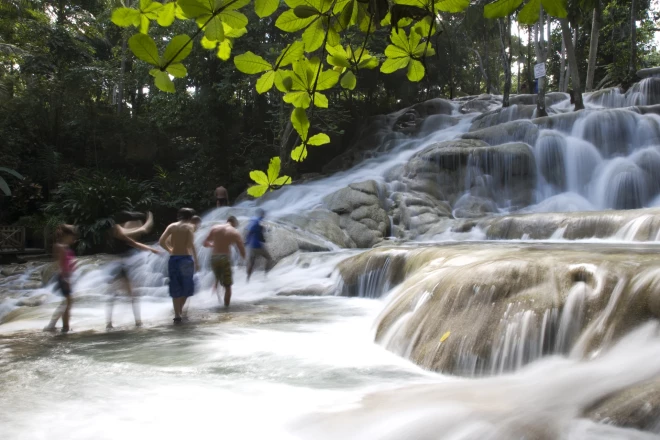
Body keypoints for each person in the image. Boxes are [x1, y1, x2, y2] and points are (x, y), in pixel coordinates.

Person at [106, 211, 160, 329]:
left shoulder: (121, 231)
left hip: (123, 266)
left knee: (128, 295)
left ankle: (135, 322)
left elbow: (133, 243)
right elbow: (132, 233)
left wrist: (151, 249)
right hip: (118, 266)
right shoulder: (116, 228)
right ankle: (112, 323)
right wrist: (145, 225)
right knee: (118, 294)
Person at [159, 208, 199, 323]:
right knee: (187, 286)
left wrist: (170, 249)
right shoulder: (189, 227)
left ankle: (177, 315)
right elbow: (190, 244)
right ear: (190, 217)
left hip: (173, 259)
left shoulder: (171, 226)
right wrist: (196, 260)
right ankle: (181, 309)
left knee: (175, 286)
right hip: (186, 259)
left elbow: (161, 241)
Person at [203, 216, 246, 307]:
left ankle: (217, 301)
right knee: (227, 286)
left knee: (217, 279)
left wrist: (213, 245)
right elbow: (241, 248)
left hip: (214, 258)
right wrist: (244, 260)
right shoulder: (234, 232)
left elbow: (205, 243)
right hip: (224, 258)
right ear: (234, 223)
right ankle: (226, 308)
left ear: (227, 221)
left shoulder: (215, 228)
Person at [44, 224, 77, 333]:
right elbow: (61, 265)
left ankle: (58, 326)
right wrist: (66, 279)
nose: (74, 239)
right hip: (64, 278)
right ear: (66, 236)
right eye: (72, 236)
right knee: (67, 303)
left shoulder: (63, 247)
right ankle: (62, 327)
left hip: (65, 277)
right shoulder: (61, 247)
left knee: (66, 303)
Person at [245, 209, 273, 282]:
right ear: (262, 214)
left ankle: (247, 279)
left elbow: (250, 231)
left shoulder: (252, 220)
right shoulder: (258, 221)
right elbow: (256, 231)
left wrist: (247, 241)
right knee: (269, 258)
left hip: (251, 246)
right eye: (264, 215)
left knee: (252, 263)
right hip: (257, 246)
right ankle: (265, 275)